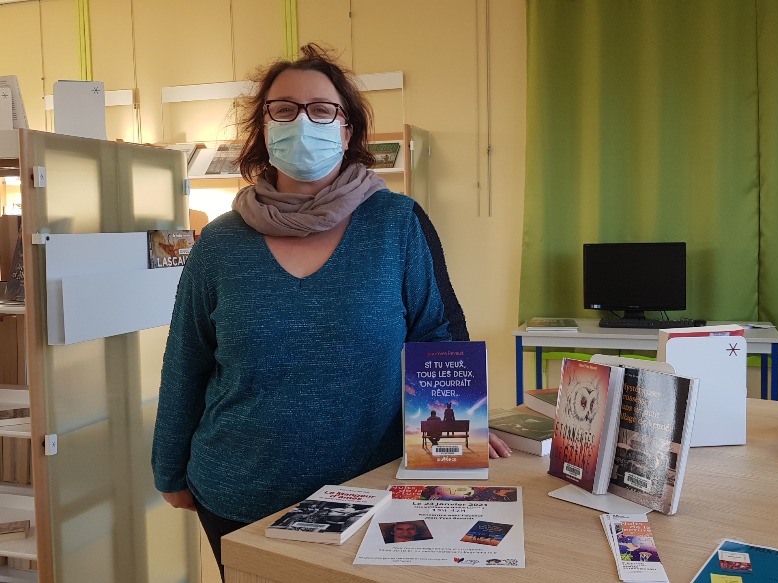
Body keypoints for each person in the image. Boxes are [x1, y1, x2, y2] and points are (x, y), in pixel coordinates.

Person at [150, 43, 511, 580]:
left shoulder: (396, 224)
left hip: (369, 490)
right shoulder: (221, 243)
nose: (303, 122)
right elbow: (187, 360)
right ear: (263, 128)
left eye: (322, 110)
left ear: (346, 131)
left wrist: (461, 437)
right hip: (238, 493)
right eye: (284, 109)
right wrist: (169, 470)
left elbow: (436, 335)